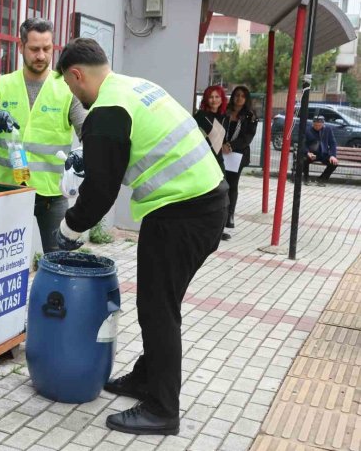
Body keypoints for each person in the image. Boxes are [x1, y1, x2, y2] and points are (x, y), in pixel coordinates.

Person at [52, 38, 228, 436]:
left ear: (76, 74)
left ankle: (163, 410)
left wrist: (69, 229)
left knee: (157, 309)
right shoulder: (135, 87)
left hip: (183, 213)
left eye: (69, 84)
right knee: (161, 303)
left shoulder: (107, 110)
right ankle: (146, 378)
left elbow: (100, 191)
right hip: (204, 203)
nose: (73, 93)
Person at [0, 17, 87, 252]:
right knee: (2, 264)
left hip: (52, 195)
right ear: (21, 47)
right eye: (34, 49)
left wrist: (84, 154)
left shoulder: (66, 88)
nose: (41, 56)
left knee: (59, 262)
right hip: (9, 191)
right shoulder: (2, 85)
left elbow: (87, 132)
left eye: (46, 48)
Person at [194, 85, 231, 241]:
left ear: (222, 99)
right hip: (204, 160)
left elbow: (223, 139)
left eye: (217, 97)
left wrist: (227, 144)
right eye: (211, 97)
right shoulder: (200, 116)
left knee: (222, 194)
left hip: (219, 160)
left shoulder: (225, 117)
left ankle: (218, 229)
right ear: (206, 99)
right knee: (204, 194)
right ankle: (201, 227)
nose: (214, 100)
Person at [221, 86, 257, 229]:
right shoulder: (224, 111)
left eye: (242, 96)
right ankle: (220, 213)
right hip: (221, 151)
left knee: (232, 184)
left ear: (246, 98)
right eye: (236, 95)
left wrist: (231, 146)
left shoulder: (250, 116)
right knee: (220, 183)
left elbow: (248, 137)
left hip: (237, 154)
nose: (239, 98)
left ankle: (230, 215)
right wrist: (222, 145)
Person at [303, 115, 338, 186]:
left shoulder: (328, 129)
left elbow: (332, 143)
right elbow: (303, 143)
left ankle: (321, 179)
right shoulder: (307, 130)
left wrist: (332, 155)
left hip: (323, 153)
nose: (317, 127)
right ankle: (306, 178)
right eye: (315, 125)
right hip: (312, 153)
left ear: (323, 124)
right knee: (304, 160)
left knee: (334, 163)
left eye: (319, 125)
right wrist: (307, 152)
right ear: (313, 123)